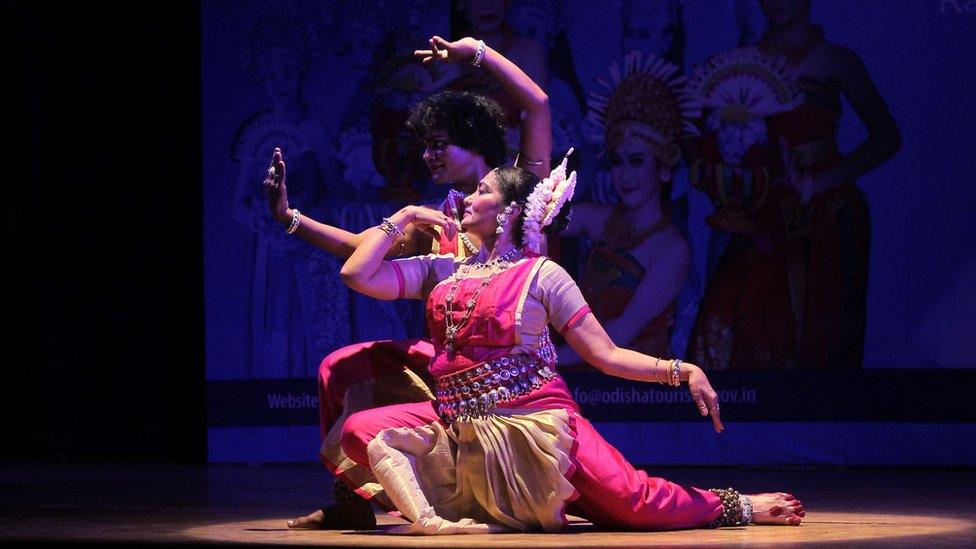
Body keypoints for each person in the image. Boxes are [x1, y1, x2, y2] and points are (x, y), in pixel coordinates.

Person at [335, 157, 805, 534]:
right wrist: (403, 218)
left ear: (511, 211)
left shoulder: (543, 275)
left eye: (482, 191)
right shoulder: (443, 270)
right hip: (458, 423)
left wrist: (682, 371)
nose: (467, 197)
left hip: (536, 426)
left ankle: (735, 504)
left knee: (635, 504)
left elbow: (607, 354)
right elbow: (356, 274)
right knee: (358, 431)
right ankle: (475, 501)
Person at [269, 35, 552, 528]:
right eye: (424, 147)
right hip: (449, 365)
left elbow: (537, 103)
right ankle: (353, 499)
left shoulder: (520, 193)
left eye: (439, 145)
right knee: (340, 368)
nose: (428, 156)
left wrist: (477, 53)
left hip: (512, 377)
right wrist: (292, 218)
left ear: (477, 144)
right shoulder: (440, 217)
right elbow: (362, 250)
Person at [687, 0, 901, 370]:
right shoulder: (742, 64)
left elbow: (886, 138)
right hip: (760, 212)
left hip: (828, 217)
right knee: (736, 324)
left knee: (821, 338)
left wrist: (816, 183)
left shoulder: (836, 61)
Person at [555, 51, 699, 367]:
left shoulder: (672, 250)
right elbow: (536, 220)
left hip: (639, 390)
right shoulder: (599, 219)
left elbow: (620, 334)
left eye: (637, 162)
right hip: (588, 373)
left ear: (663, 170)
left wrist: (547, 360)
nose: (624, 175)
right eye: (617, 162)